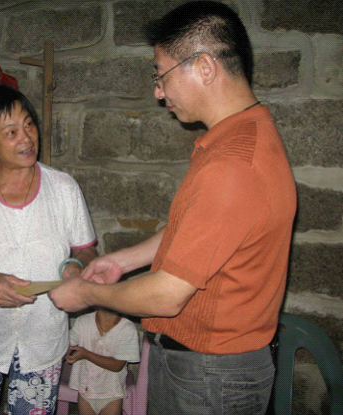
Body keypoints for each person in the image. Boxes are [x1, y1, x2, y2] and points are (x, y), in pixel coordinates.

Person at [48, 2, 297, 414]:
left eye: (161, 76)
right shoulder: (241, 138)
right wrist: (123, 260)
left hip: (209, 375)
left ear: (205, 67)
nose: (158, 92)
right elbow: (198, 231)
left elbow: (166, 296)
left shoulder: (232, 165)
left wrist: (87, 293)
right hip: (208, 369)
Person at [0, 84, 97, 415]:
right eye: (11, 132)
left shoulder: (64, 188)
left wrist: (74, 267)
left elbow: (86, 251)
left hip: (42, 340)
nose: (27, 138)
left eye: (29, 124)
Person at [66, 307, 140, 415]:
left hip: (112, 394)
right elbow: (66, 346)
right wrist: (65, 353)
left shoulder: (127, 329)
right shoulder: (83, 322)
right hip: (86, 391)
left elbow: (117, 365)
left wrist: (86, 354)